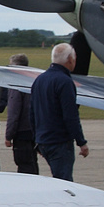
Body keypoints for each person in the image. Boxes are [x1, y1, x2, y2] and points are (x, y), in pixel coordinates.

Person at [31, 42, 89, 181]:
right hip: (59, 141)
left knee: (58, 179)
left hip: (43, 140)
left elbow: (32, 112)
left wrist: (37, 139)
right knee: (64, 182)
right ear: (70, 59)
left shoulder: (39, 80)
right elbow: (70, 116)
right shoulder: (65, 81)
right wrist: (81, 142)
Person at [3, 53, 38, 174]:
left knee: (24, 165)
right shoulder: (34, 81)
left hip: (21, 133)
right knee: (33, 162)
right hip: (34, 130)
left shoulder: (17, 84)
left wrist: (9, 135)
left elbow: (14, 112)